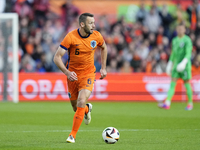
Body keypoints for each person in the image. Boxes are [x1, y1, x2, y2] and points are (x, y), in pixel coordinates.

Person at [53, 13, 107, 143]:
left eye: (94, 22)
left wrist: (103, 67)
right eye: (90, 23)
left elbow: (104, 48)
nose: (94, 25)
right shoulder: (71, 37)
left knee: (81, 101)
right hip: (72, 75)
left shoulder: (97, 36)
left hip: (88, 74)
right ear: (82, 24)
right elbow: (56, 57)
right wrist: (67, 72)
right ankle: (87, 109)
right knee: (76, 107)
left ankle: (72, 135)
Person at [159, 23, 193, 110]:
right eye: (178, 29)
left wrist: (184, 62)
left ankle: (190, 103)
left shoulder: (187, 40)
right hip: (176, 66)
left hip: (184, 66)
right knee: (172, 84)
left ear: (185, 30)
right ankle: (167, 102)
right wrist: (170, 63)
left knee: (187, 84)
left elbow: (188, 53)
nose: (180, 30)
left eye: (181, 29)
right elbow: (173, 53)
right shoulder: (174, 40)